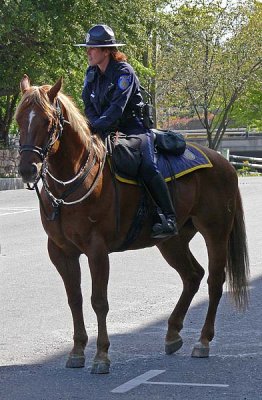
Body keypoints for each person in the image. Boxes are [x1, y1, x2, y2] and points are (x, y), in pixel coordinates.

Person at [75, 24, 178, 238]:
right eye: (88, 48)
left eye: (93, 48)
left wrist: (96, 126)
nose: (88, 52)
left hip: (134, 129)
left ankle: (169, 217)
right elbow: (88, 105)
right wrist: (94, 126)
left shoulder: (124, 72)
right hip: (104, 128)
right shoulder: (91, 73)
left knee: (148, 166)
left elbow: (117, 109)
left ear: (106, 51)